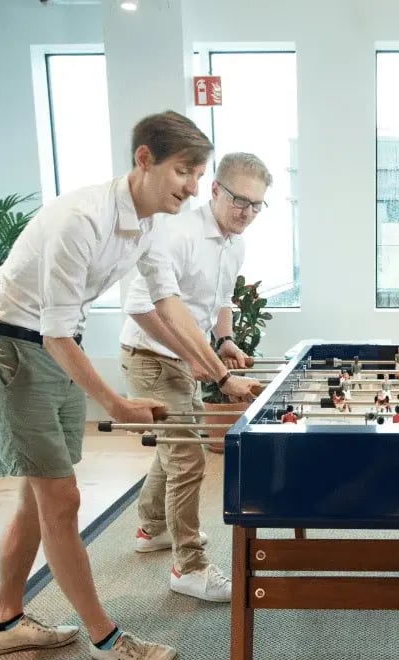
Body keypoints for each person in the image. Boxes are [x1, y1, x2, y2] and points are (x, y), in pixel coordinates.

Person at [0, 111, 256, 660]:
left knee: (38, 496)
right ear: (144, 158)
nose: (192, 188)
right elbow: (52, 330)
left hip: (48, 346)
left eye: (198, 176)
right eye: (183, 172)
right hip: (13, 348)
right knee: (61, 499)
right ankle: (107, 639)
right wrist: (116, 403)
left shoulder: (146, 224)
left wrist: (218, 372)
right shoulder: (83, 218)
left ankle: (4, 621)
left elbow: (169, 304)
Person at [119, 152, 271, 603]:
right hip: (149, 356)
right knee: (188, 458)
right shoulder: (178, 232)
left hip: (183, 359)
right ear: (215, 191)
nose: (247, 212)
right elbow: (140, 307)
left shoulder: (235, 243)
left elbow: (220, 300)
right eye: (239, 200)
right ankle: (189, 566)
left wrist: (223, 341)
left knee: (174, 447)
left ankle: (151, 527)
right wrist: (210, 367)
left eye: (257, 205)